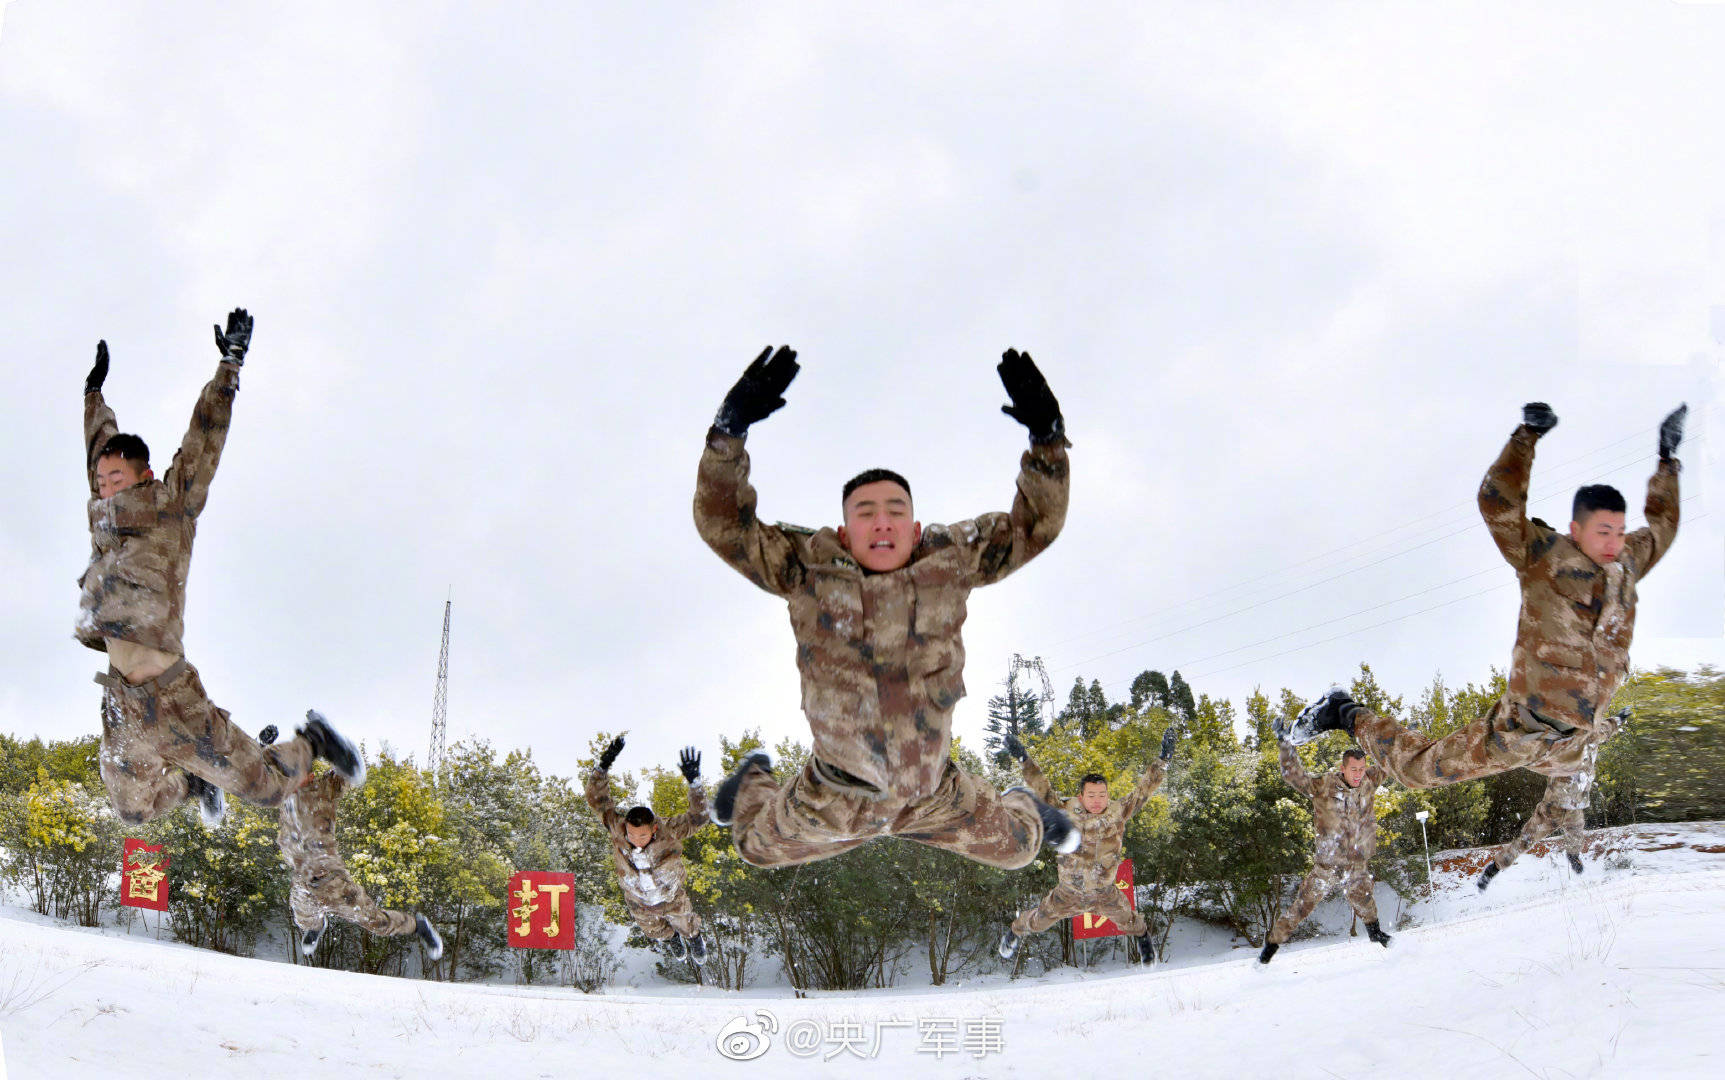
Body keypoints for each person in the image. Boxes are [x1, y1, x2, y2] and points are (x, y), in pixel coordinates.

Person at [694, 345, 1079, 870]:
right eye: (866, 513)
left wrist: (1047, 440)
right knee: (754, 849)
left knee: (1019, 850)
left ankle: (1026, 804)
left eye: (896, 511)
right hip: (832, 799)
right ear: (844, 530)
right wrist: (728, 434)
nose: (882, 523)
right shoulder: (804, 568)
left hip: (933, 794)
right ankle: (752, 780)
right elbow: (724, 526)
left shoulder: (951, 560)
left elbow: (1036, 525)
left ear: (915, 529)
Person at [1288, 401, 1685, 789]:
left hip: (1571, 742)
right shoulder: (1544, 554)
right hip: (1521, 729)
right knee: (1416, 772)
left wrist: (1668, 460)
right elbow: (1497, 501)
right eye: (1603, 532)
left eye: (1619, 531)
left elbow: (1662, 527)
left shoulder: (1627, 563)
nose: (1614, 543)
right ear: (1576, 530)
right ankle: (1343, 712)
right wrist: (1526, 437)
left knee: (1580, 775)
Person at [80, 313, 363, 829]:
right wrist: (92, 396)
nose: (104, 488)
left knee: (265, 788)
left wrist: (229, 366)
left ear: (143, 474)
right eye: (100, 482)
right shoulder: (103, 524)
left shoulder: (172, 504)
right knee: (132, 812)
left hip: (173, 693)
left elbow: (203, 439)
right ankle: (192, 780)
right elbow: (98, 449)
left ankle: (314, 740)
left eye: (115, 478)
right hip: (123, 702)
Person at [257, 719, 442, 960]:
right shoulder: (283, 792)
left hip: (330, 879)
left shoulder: (326, 786)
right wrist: (262, 746)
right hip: (300, 879)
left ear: (309, 773)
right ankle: (316, 927)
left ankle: (418, 925)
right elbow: (253, 773)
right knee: (304, 919)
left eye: (295, 774)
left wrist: (332, 745)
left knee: (376, 922)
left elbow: (353, 769)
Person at [996, 728, 1175, 964]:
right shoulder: (1065, 811)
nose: (1098, 800)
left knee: (1128, 920)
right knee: (1038, 921)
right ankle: (1015, 932)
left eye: (1102, 795)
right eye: (1091, 795)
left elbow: (1145, 789)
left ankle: (1144, 941)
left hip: (1104, 892)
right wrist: (1023, 758)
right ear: (1081, 796)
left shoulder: (1118, 811)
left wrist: (1163, 760)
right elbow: (1041, 786)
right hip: (1068, 892)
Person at [1259, 735, 1392, 964]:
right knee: (1302, 906)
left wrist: (1402, 738)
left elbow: (1390, 761)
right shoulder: (1324, 786)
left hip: (1356, 862)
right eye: (1353, 769)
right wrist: (1285, 745)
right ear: (1343, 768)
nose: (1358, 774)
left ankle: (1375, 933)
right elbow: (1295, 776)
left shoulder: (1370, 780)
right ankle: (1271, 946)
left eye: (1361, 768)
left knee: (1364, 898)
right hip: (1327, 865)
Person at [584, 736, 712, 963]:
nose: (636, 841)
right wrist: (603, 766)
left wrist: (695, 784)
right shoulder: (618, 828)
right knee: (654, 930)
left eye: (642, 836)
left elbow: (698, 818)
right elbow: (598, 800)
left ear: (653, 829)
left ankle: (694, 939)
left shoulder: (668, 830)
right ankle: (672, 938)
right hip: (638, 899)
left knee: (685, 921)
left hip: (670, 894)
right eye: (631, 836)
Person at [1478, 708, 1628, 890]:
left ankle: (1572, 856)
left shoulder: (1592, 737)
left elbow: (1607, 727)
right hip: (1552, 808)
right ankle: (1493, 869)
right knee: (1526, 839)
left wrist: (1620, 718)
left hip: (1575, 807)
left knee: (1576, 833)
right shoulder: (1561, 741)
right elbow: (1536, 749)